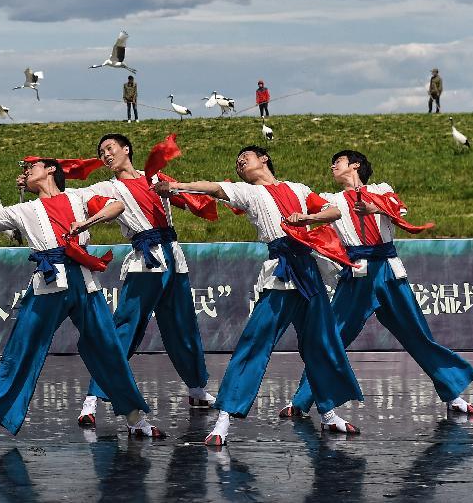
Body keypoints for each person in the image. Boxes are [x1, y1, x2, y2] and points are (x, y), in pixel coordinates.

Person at [0, 158, 165, 447]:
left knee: (109, 349)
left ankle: (135, 420)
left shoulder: (78, 196)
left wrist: (86, 222)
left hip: (84, 282)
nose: (26, 172)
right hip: (48, 284)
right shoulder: (24, 210)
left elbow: (116, 206)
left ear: (51, 169)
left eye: (32, 166)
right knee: (20, 352)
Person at [155, 146, 364, 446]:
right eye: (237, 163)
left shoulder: (298, 189)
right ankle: (224, 419)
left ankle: (329, 413)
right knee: (255, 343)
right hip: (281, 272)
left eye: (245, 157)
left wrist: (307, 219)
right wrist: (177, 185)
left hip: (308, 271)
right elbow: (214, 188)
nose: (240, 162)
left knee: (322, 344)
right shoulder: (247, 192)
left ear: (264, 158)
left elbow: (334, 211)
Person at [279, 150, 473, 419]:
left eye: (336, 162)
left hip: (388, 270)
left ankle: (453, 394)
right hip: (357, 274)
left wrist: (374, 207)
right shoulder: (331, 199)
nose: (331, 167)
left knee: (417, 335)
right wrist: (305, 218)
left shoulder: (382, 189)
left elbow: (399, 210)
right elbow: (325, 213)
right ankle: (301, 401)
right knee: (332, 338)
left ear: (355, 165)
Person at [73, 134, 215, 427]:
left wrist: (176, 191)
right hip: (145, 260)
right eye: (101, 152)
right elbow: (73, 196)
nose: (106, 155)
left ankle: (196, 388)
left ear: (126, 149)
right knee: (125, 328)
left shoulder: (156, 178)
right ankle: (93, 397)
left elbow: (190, 200)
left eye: (110, 148)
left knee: (183, 326)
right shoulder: (107, 187)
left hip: (173, 258)